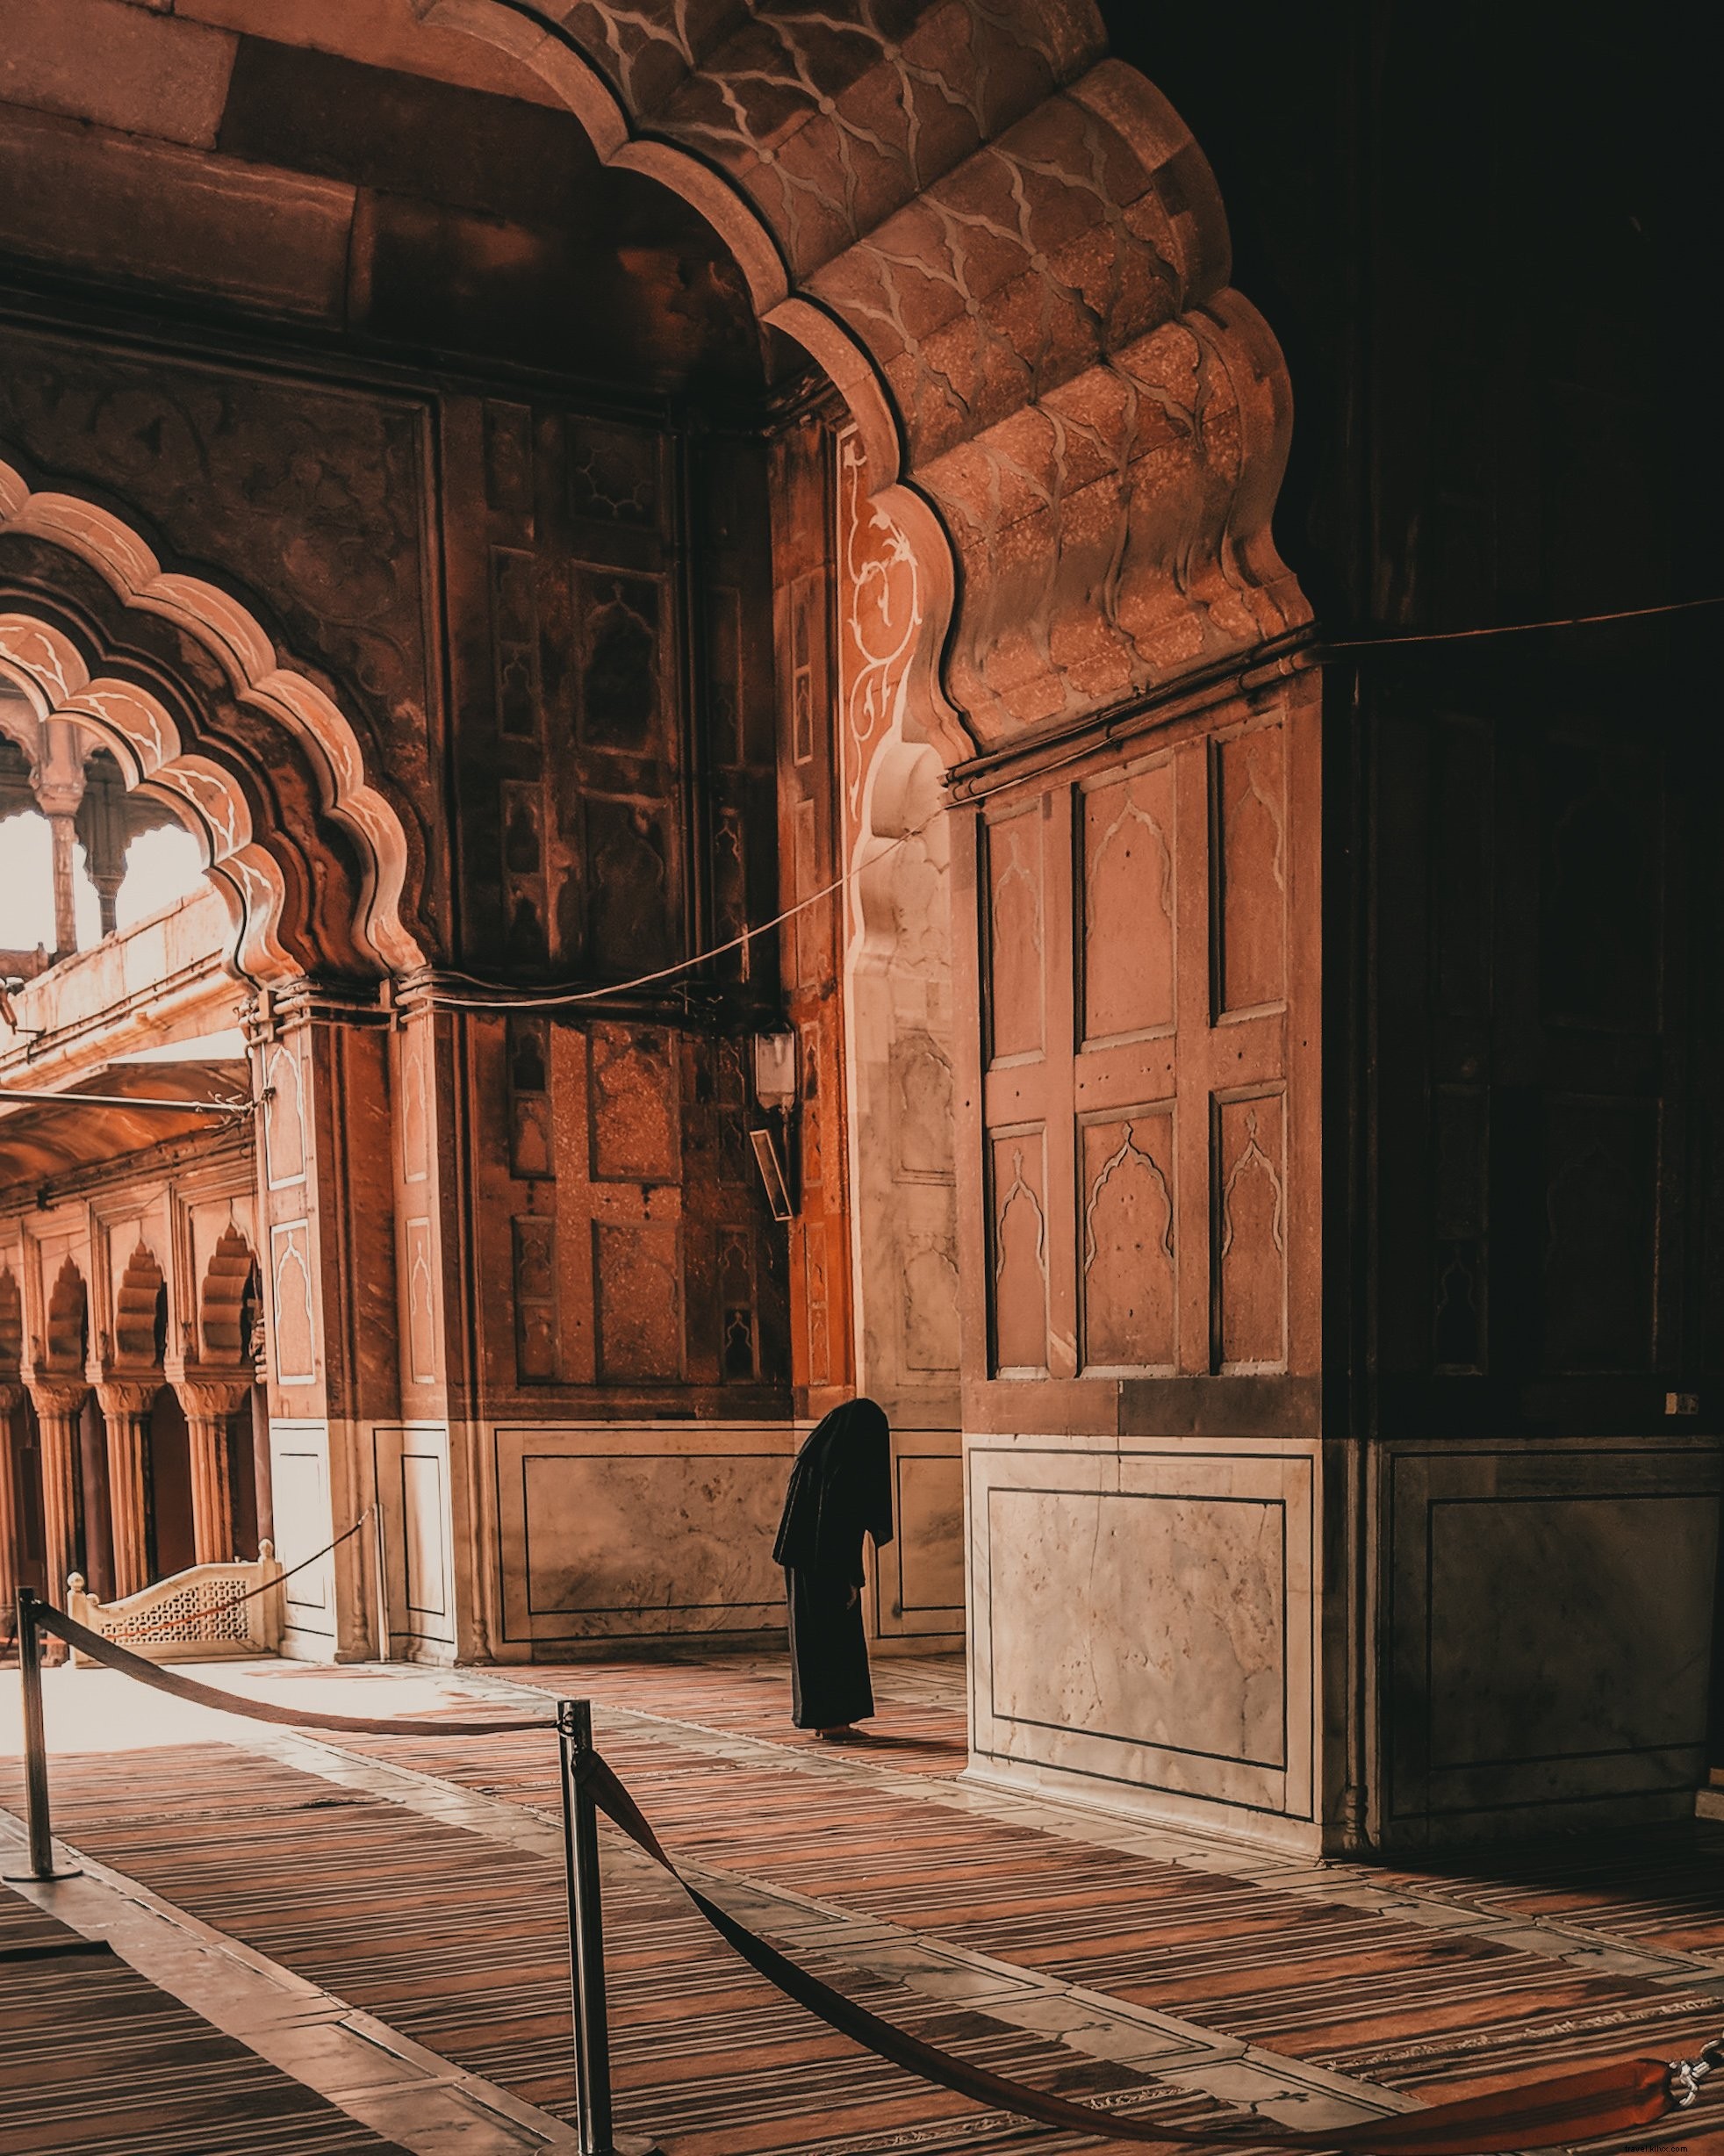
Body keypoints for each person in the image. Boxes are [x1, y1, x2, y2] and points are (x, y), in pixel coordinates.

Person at [772, 1397, 894, 1738]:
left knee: (813, 1641)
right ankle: (835, 1722)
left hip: (802, 1563)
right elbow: (840, 1531)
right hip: (826, 1568)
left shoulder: (814, 1457)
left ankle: (825, 1719)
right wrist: (850, 1579)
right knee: (833, 1641)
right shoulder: (843, 1471)